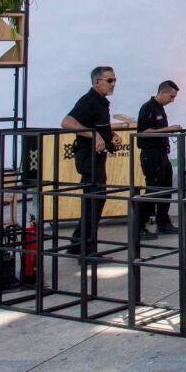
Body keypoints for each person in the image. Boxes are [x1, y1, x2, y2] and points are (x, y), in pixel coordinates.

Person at [62, 66, 134, 256]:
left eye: (115, 80)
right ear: (96, 82)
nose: (113, 84)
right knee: (93, 202)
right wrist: (93, 135)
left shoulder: (101, 102)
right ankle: (86, 249)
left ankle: (77, 244)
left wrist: (111, 135)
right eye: (109, 80)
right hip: (89, 157)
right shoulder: (89, 101)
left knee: (95, 201)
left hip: (97, 157)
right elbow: (67, 122)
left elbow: (100, 125)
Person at [135, 80, 182, 239]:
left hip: (162, 153)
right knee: (153, 188)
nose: (172, 100)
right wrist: (169, 129)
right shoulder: (148, 108)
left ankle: (163, 222)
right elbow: (144, 131)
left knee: (166, 187)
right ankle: (139, 225)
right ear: (162, 92)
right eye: (171, 96)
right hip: (151, 154)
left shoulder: (160, 108)